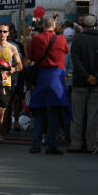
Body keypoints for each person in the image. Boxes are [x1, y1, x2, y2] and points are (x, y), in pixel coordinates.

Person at [68, 14, 98, 153]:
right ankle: (91, 144)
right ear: (95, 25)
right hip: (96, 84)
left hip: (79, 82)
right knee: (93, 115)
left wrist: (87, 75)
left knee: (78, 115)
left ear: (84, 26)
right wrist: (95, 77)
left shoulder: (78, 40)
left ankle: (76, 143)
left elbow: (75, 60)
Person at [26, 16, 70, 155]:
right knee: (54, 113)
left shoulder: (36, 39)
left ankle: (36, 144)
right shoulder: (61, 39)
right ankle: (51, 145)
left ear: (42, 26)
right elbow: (66, 51)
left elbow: (31, 56)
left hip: (41, 77)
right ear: (54, 25)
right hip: (56, 77)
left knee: (39, 112)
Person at [0, 23, 23, 150]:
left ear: (8, 33)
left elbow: (20, 65)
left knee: (1, 112)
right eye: (0, 31)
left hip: (5, 83)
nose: (2, 34)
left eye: (4, 32)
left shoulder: (12, 48)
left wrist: (12, 69)